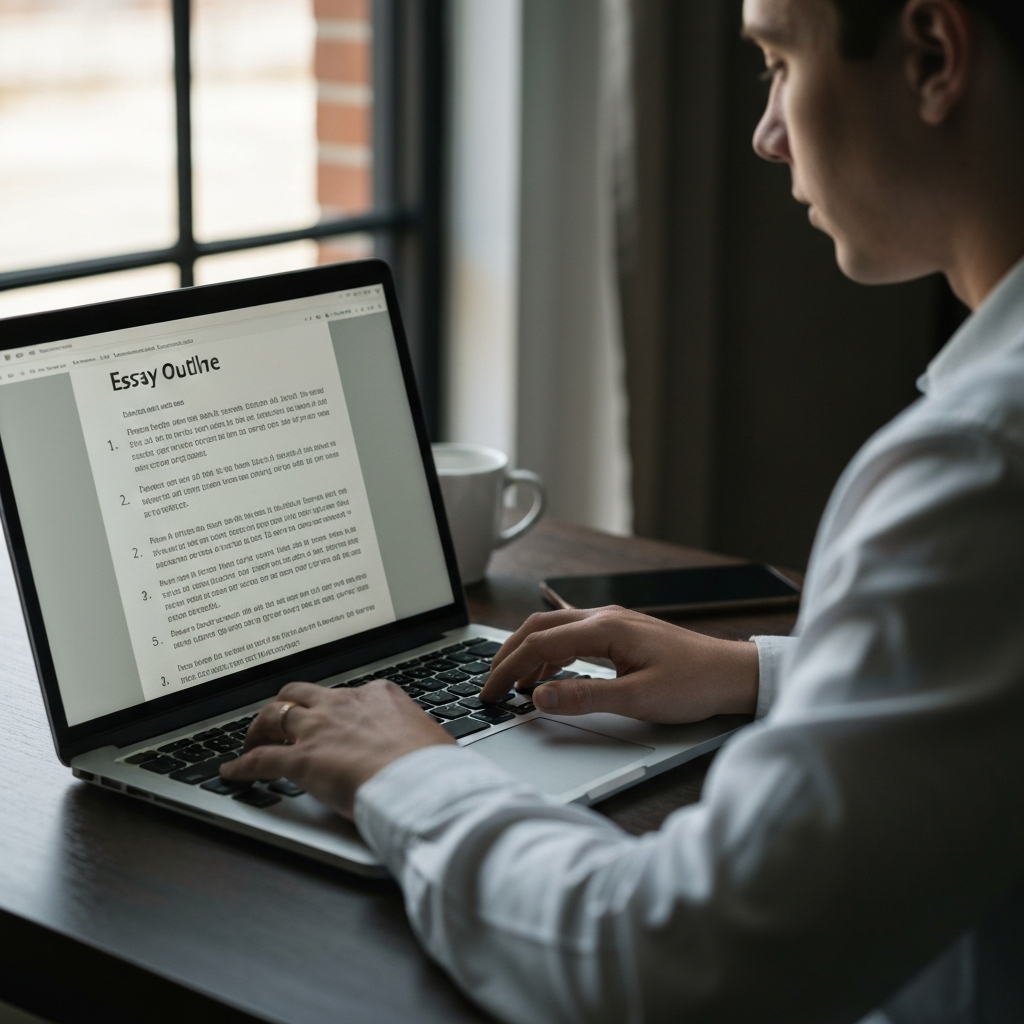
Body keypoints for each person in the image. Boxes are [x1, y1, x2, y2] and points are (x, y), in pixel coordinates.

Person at [222, 0, 1024, 1020]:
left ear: (929, 56)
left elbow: (670, 964)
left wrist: (407, 774)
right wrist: (763, 671)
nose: (766, 132)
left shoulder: (978, 468)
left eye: (778, 62)